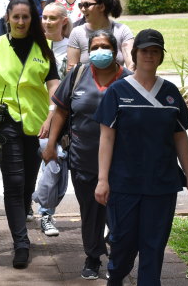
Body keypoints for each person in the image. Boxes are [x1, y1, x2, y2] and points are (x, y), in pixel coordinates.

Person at [94, 29, 188, 286]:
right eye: (145, 51)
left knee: (153, 246)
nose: (149, 55)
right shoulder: (117, 92)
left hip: (162, 184)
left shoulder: (171, 93)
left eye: (155, 51)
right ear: (135, 54)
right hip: (124, 184)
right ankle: (115, 278)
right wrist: (102, 179)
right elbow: (106, 138)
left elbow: (179, 136)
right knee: (123, 244)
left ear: (161, 56)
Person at [43, 30, 131, 280]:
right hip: (82, 158)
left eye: (105, 46)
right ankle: (93, 256)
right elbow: (60, 111)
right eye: (95, 47)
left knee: (118, 213)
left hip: (120, 163)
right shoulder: (78, 74)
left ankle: (117, 254)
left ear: (114, 51)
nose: (99, 51)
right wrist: (50, 146)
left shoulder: (127, 80)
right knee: (90, 212)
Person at [0, 0, 60, 268]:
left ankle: (25, 211)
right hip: (7, 124)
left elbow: (54, 87)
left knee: (27, 183)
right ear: (8, 18)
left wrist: (51, 118)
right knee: (13, 184)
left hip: (37, 125)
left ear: (32, 19)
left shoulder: (44, 48)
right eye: (16, 16)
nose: (21, 21)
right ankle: (21, 243)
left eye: (26, 17)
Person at [67, 0, 134, 71]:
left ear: (101, 7)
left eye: (86, 5)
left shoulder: (122, 31)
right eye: (81, 5)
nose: (83, 9)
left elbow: (131, 65)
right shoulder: (77, 33)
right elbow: (71, 70)